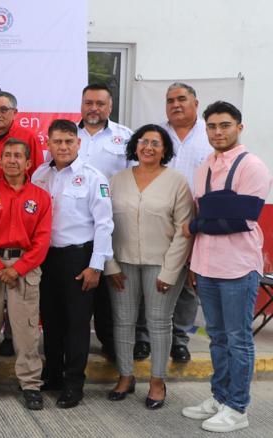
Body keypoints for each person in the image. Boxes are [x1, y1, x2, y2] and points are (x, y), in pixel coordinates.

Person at [181, 101, 272, 433]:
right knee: (216, 337)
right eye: (212, 126)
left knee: (238, 339)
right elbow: (213, 213)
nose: (218, 132)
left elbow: (237, 219)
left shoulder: (254, 167)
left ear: (239, 127)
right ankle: (219, 398)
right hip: (207, 264)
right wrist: (204, 225)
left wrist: (195, 225)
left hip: (237, 267)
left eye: (225, 125)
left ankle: (238, 407)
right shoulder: (205, 165)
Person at [105, 124, 194, 410]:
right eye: (144, 142)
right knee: (123, 321)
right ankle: (125, 376)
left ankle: (157, 382)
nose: (149, 147)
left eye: (156, 143)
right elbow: (103, 225)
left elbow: (184, 230)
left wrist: (170, 271)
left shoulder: (177, 181)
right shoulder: (116, 180)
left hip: (162, 264)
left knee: (158, 323)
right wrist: (110, 264)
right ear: (135, 146)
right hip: (122, 264)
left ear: (165, 149)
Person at [31, 119, 114, 409]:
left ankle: (73, 384)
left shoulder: (94, 177)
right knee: (51, 322)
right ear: (49, 144)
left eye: (69, 141)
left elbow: (105, 225)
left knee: (77, 325)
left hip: (79, 258)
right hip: (46, 259)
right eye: (57, 141)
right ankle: (52, 374)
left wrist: (96, 266)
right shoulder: (40, 175)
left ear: (78, 144)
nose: (63, 146)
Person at [0, 138, 51, 410]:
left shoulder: (40, 197)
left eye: (18, 156)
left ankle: (30, 384)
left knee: (26, 330)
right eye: (7, 155)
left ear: (29, 163)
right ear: (0, 161)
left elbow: (41, 241)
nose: (12, 160)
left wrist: (17, 269)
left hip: (24, 270)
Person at [139, 82, 210, 364]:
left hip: (195, 222)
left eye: (182, 99)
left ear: (196, 102)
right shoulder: (156, 133)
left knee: (187, 283)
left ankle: (179, 339)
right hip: (155, 219)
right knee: (149, 279)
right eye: (170, 100)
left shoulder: (210, 135)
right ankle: (142, 338)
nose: (175, 104)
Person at [77, 83, 133, 361]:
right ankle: (76, 344)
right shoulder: (67, 135)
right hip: (74, 226)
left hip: (113, 223)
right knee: (79, 284)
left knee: (111, 287)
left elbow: (137, 177)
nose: (94, 108)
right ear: (82, 105)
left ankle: (111, 343)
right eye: (89, 103)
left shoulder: (125, 138)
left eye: (100, 103)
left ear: (110, 107)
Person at [0, 91, 44, 184]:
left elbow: (38, 176)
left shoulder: (29, 137)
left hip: (18, 197)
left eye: (3, 110)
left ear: (15, 112)